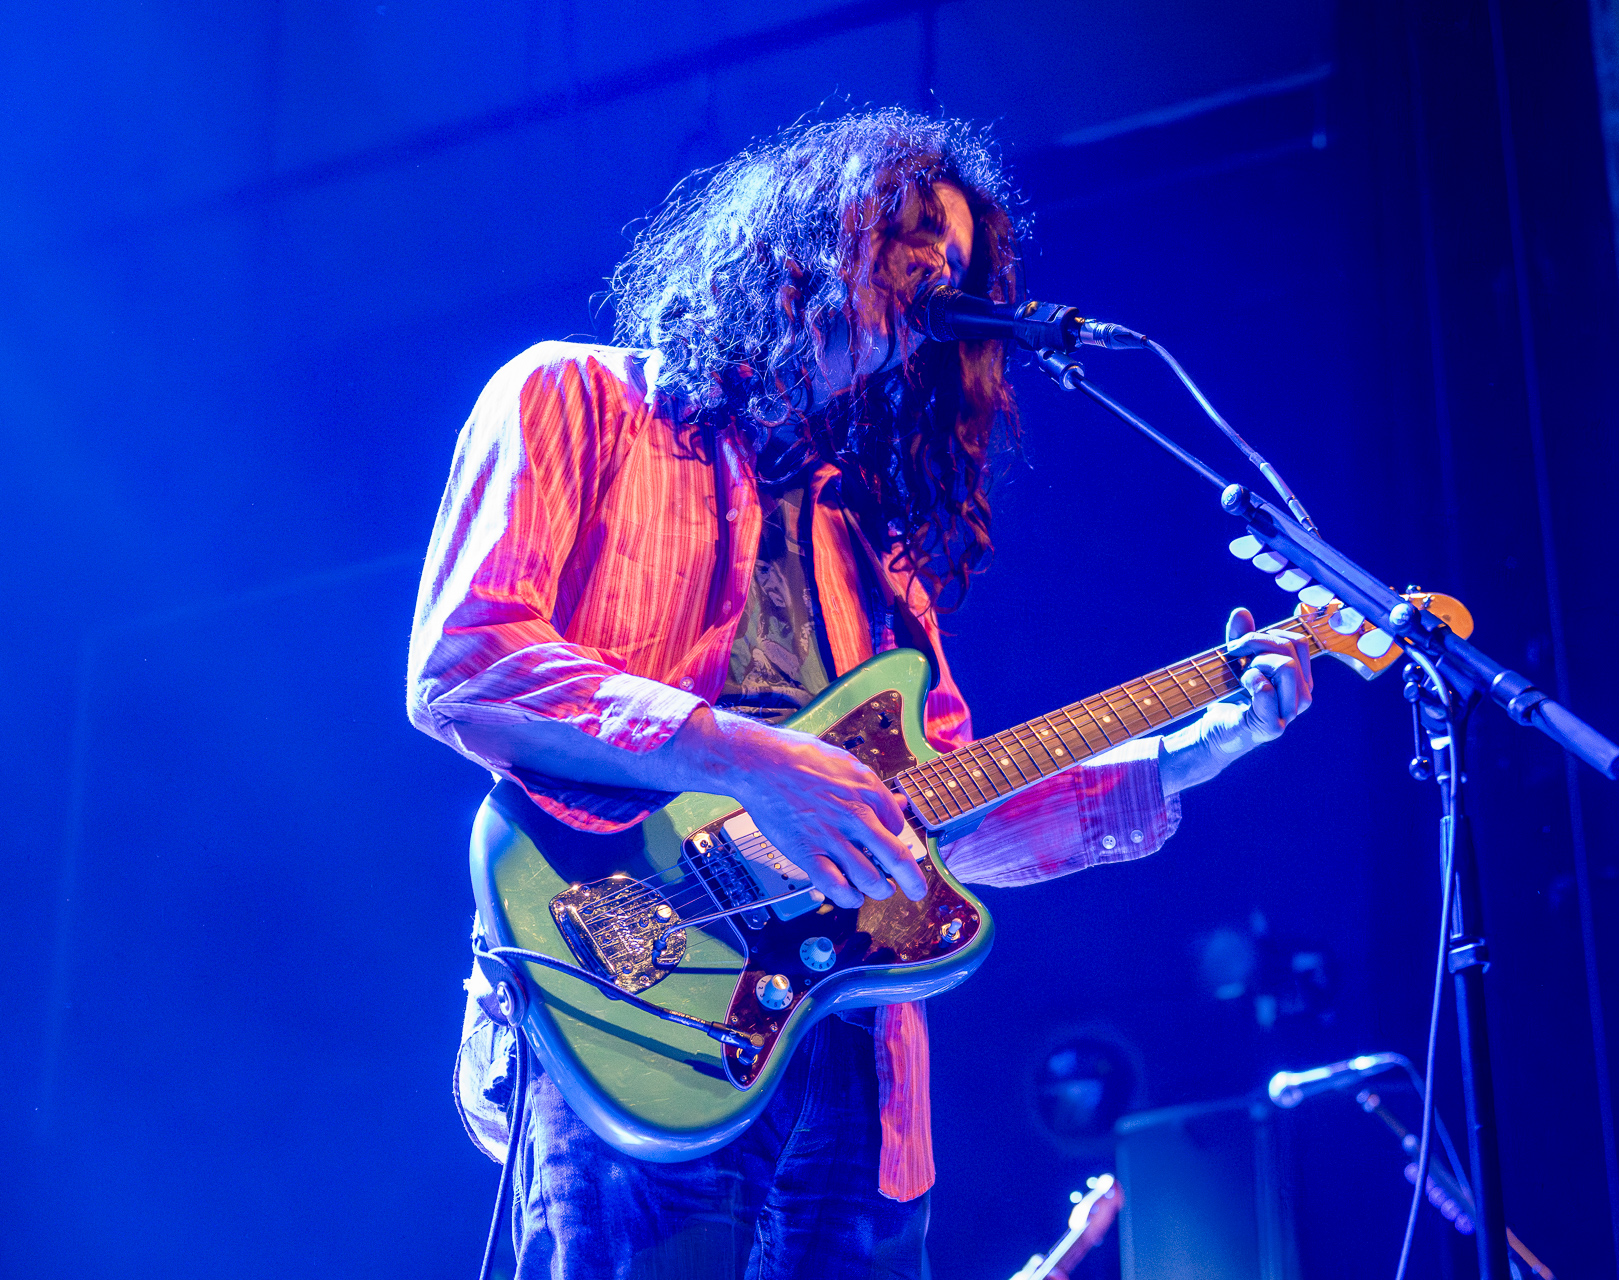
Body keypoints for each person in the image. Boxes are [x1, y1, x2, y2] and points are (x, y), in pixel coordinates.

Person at [407, 108, 1312, 1280]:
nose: (938, 270)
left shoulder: (871, 551)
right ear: (800, 235)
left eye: (956, 260)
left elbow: (955, 818)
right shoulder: (573, 399)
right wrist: (748, 758)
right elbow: (466, 660)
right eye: (906, 235)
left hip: (858, 1066)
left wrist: (1198, 746)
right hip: (640, 992)